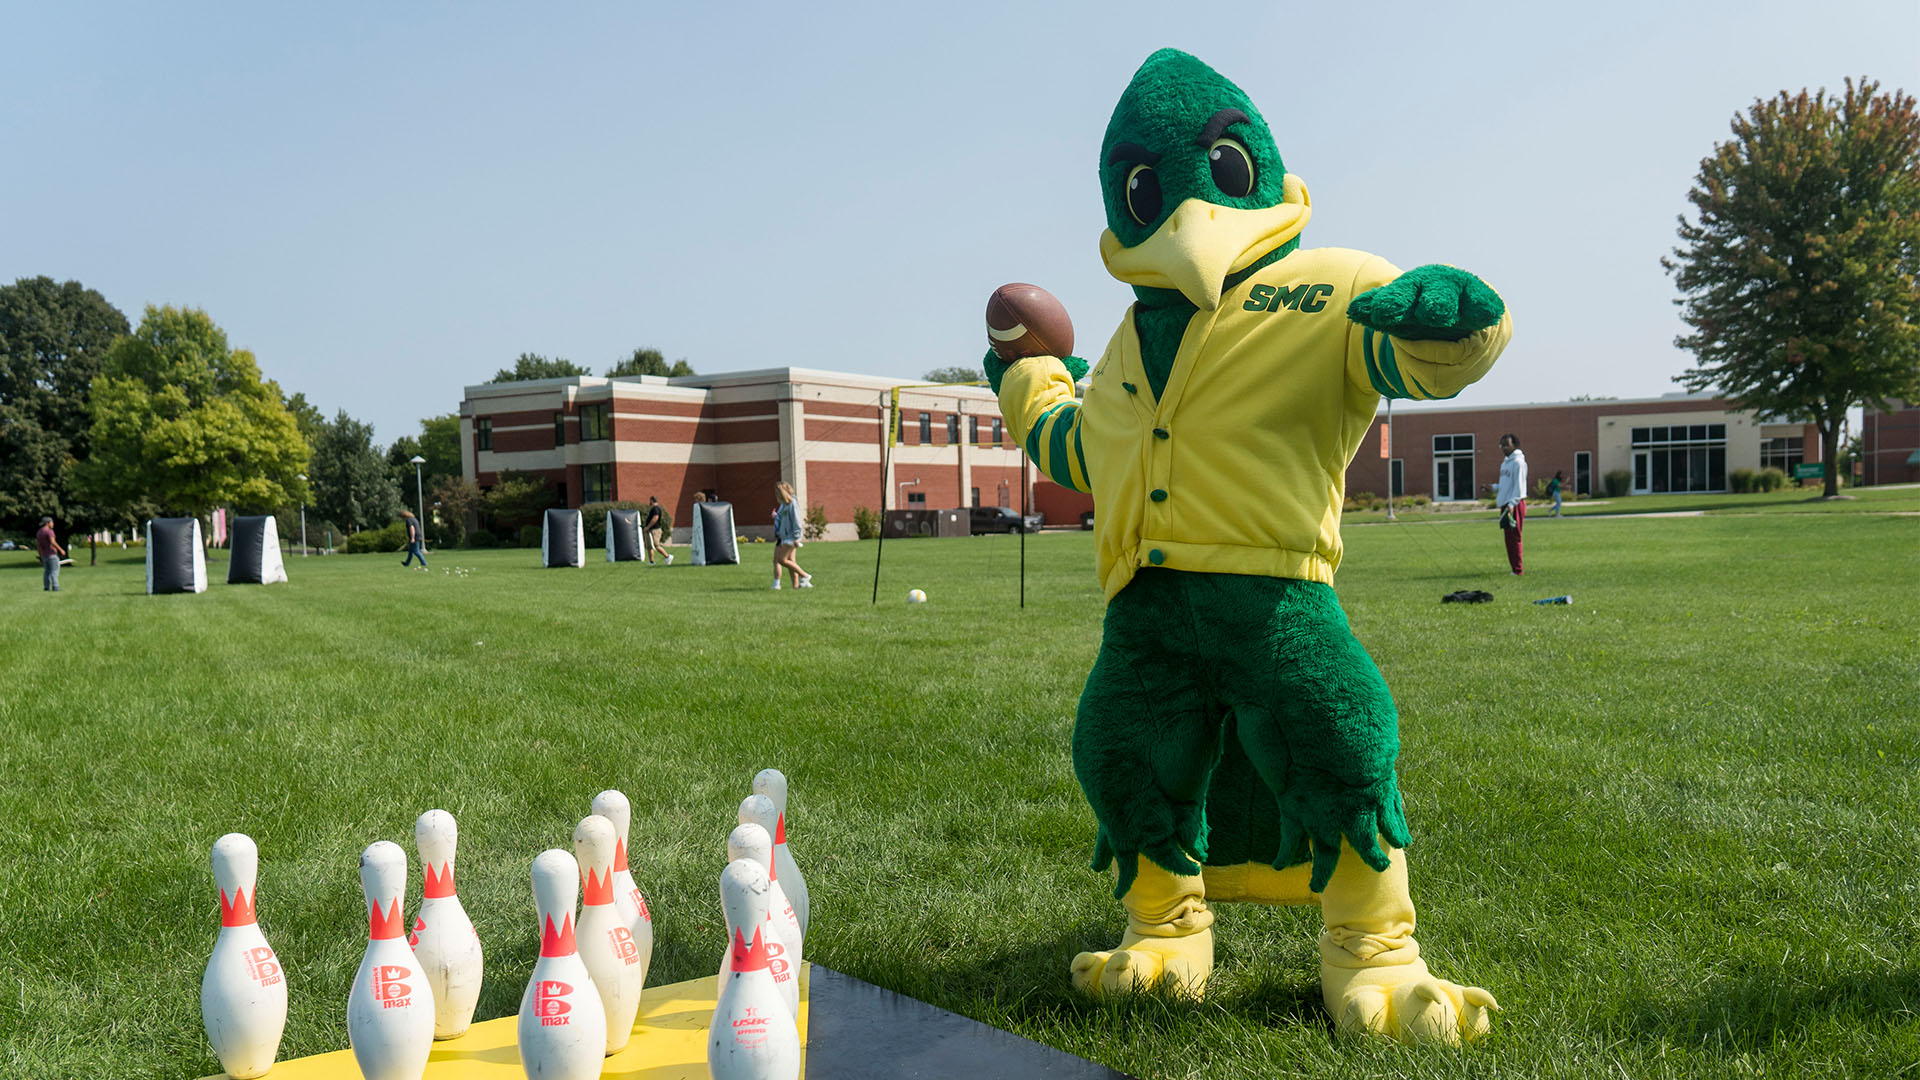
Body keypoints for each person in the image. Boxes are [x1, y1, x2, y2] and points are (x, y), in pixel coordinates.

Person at [1496, 434, 1528, 574]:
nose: (1503, 448)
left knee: (1514, 537)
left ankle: (1518, 570)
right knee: (1508, 539)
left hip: (1514, 504)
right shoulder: (1505, 463)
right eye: (1501, 445)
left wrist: (1512, 504)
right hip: (1506, 504)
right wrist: (1492, 488)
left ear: (1515, 445)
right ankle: (1514, 568)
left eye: (1506, 445)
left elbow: (1519, 486)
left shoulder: (1518, 463)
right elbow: (1505, 485)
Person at [770, 481, 809, 589]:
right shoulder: (784, 504)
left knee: (781, 560)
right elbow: (783, 519)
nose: (776, 495)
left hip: (790, 537)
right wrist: (776, 517)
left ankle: (805, 576)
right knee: (791, 561)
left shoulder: (792, 503)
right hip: (784, 536)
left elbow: (797, 522)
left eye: (777, 492)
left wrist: (796, 537)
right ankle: (796, 586)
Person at [36, 516, 66, 592]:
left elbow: (38, 545)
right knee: (54, 571)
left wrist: (40, 555)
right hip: (52, 554)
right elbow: (52, 542)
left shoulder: (39, 532)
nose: (53, 524)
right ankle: (55, 586)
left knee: (46, 571)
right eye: (52, 522)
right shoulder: (49, 531)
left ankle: (46, 587)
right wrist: (61, 550)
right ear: (47, 523)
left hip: (44, 555)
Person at [643, 496, 673, 566]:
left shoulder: (656, 508)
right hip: (650, 530)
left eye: (650, 500)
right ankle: (651, 562)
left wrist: (647, 527)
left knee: (656, 545)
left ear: (652, 500)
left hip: (655, 530)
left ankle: (668, 557)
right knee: (649, 546)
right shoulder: (653, 509)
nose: (649, 502)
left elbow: (655, 518)